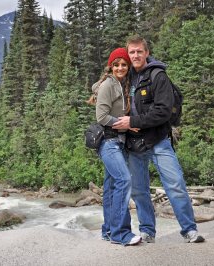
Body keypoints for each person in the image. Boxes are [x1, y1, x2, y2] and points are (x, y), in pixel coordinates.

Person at [112, 35, 205, 243]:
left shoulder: (158, 75)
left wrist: (133, 121)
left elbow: (163, 111)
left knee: (175, 184)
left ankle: (189, 230)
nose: (135, 55)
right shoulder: (125, 77)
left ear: (146, 53)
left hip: (158, 139)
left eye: (139, 51)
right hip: (134, 144)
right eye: (132, 52)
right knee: (139, 191)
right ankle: (147, 231)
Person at [88, 47, 141, 246]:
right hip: (108, 142)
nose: (120, 68)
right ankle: (121, 233)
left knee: (110, 187)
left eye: (124, 65)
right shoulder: (108, 85)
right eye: (116, 64)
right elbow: (101, 117)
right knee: (124, 180)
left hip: (119, 142)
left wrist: (129, 127)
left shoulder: (123, 85)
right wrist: (127, 124)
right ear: (110, 67)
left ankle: (109, 231)